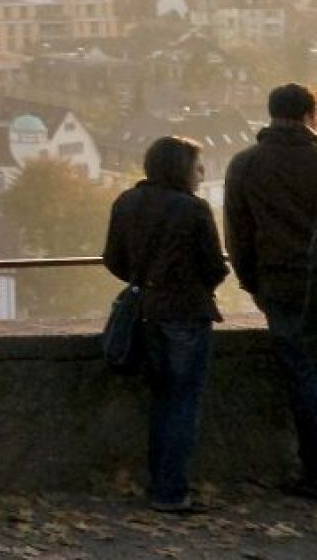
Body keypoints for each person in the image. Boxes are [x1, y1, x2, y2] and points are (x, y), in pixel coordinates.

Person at [109, 136, 230, 514]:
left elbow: (114, 259)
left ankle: (158, 484)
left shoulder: (126, 202)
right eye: (197, 167)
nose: (201, 174)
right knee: (182, 403)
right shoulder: (192, 210)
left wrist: (144, 279)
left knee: (162, 400)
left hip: (145, 311)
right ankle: (171, 491)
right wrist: (197, 284)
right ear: (182, 169)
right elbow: (213, 265)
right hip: (186, 314)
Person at [227, 83, 317, 499]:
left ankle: (313, 471)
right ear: (310, 115)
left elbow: (238, 236)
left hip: (280, 283)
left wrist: (253, 284)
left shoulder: (246, 165)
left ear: (270, 113)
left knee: (302, 376)